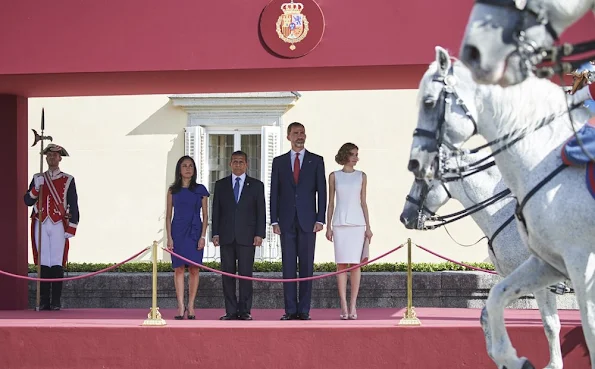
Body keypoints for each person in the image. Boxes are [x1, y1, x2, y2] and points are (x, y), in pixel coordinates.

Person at [270, 122, 327, 320]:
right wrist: (273, 221)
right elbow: (274, 193)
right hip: (285, 221)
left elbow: (322, 192)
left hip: (308, 221)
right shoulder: (278, 162)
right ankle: (290, 310)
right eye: (295, 133)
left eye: (302, 133)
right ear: (288, 137)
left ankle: (304, 310)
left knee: (306, 266)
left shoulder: (316, 161)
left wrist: (321, 218)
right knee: (287, 267)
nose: (299, 136)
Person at [24, 143, 80, 311]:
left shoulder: (68, 179)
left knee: (56, 261)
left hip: (58, 224)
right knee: (43, 261)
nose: (51, 158)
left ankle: (55, 301)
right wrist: (35, 188)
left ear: (60, 158)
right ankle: (43, 301)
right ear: (45, 157)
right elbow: (27, 201)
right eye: (49, 155)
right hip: (40, 223)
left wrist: (72, 226)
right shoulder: (37, 177)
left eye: (55, 155)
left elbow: (73, 203)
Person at [212, 151, 266, 321]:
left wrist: (259, 234)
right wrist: (215, 233)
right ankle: (230, 311)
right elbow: (216, 211)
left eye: (241, 162)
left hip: (247, 237)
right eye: (234, 161)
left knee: (245, 275)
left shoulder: (256, 185)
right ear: (230, 163)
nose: (237, 164)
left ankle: (245, 310)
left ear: (246, 164)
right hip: (226, 237)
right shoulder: (220, 185)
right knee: (227, 275)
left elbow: (261, 212)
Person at [325, 143, 372, 320]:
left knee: (356, 265)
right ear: (345, 155)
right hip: (339, 223)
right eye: (352, 154)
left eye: (357, 155)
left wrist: (368, 227)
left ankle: (353, 306)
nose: (356, 158)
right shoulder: (334, 176)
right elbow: (331, 203)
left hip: (357, 224)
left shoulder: (362, 176)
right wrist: (328, 226)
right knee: (341, 265)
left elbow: (364, 202)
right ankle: (343, 306)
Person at [166, 155, 209, 320]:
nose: (188, 168)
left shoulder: (201, 189)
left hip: (195, 231)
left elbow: (205, 215)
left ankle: (191, 305)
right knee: (178, 268)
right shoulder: (173, 190)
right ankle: (180, 306)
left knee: (194, 268)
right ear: (179, 169)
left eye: (190, 165)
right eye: (184, 165)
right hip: (177, 230)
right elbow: (168, 216)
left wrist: (203, 236)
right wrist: (169, 237)